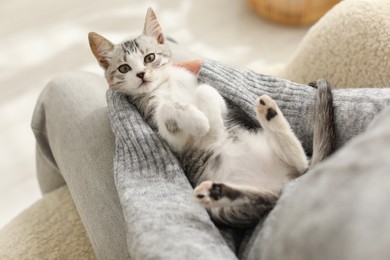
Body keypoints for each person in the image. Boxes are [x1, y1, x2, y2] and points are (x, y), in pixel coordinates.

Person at [31, 4, 390, 260]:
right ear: (110, 67)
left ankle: (59, 195)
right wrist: (309, 104)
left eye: (147, 62)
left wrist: (145, 158)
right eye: (125, 68)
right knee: (187, 70)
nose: (139, 72)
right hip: (280, 167)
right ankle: (62, 192)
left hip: (244, 206)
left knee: (61, 91)